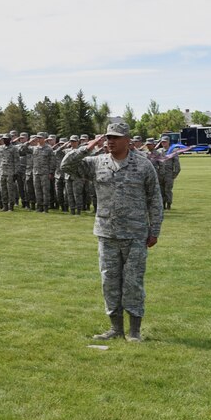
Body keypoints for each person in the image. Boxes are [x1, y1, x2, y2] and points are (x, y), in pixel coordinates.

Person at [61, 122, 163, 342]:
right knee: (109, 281)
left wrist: (154, 230)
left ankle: (134, 330)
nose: (110, 141)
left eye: (115, 137)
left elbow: (155, 200)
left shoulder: (143, 165)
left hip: (135, 234)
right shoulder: (97, 163)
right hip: (107, 234)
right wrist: (87, 148)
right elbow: (66, 166)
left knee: (133, 282)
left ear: (128, 140)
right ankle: (115, 328)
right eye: (108, 137)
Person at [156, 135, 181, 210]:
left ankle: (168, 204)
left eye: (165, 142)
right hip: (160, 174)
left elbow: (177, 164)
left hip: (169, 174)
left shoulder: (173, 151)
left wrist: (175, 174)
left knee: (168, 190)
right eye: (162, 142)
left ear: (168, 142)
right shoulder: (159, 151)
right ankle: (163, 204)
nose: (163, 143)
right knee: (161, 190)